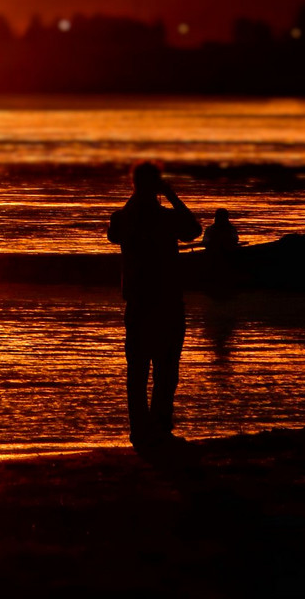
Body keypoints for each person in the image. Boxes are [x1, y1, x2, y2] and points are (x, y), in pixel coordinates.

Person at [107, 162, 201, 451]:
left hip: (140, 304)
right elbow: (194, 230)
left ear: (134, 185)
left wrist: (144, 194)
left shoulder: (124, 217)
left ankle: (142, 430)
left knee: (139, 372)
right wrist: (170, 194)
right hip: (166, 303)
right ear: (157, 185)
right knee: (165, 370)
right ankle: (159, 427)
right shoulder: (163, 218)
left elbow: (115, 232)